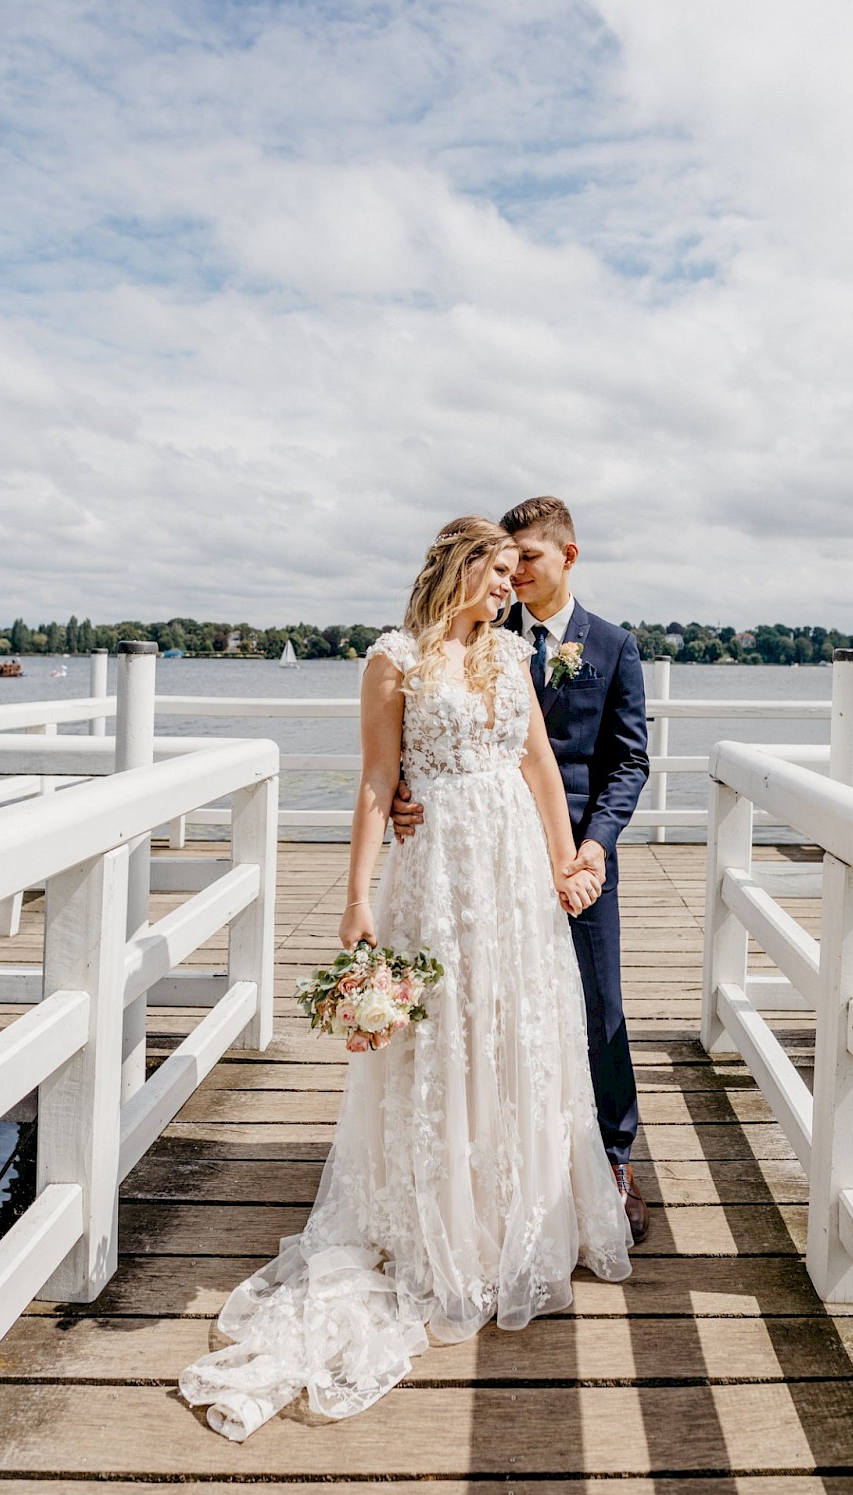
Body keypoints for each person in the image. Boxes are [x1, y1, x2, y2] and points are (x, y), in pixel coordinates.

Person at [179, 516, 632, 1441]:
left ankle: (515, 1214)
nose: (508, 587)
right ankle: (442, 1226)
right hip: (438, 870)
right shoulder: (392, 659)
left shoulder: (510, 657)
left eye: (515, 571)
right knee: (445, 1032)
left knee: (517, 1028)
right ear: (459, 567)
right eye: (496, 571)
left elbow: (543, 768)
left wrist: (564, 867)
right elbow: (377, 781)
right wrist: (356, 900)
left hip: (512, 871)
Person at [393, 497, 650, 1241]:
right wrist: (409, 789)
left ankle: (612, 1160)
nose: (516, 573)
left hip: (576, 855)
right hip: (486, 852)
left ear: (568, 556)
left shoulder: (612, 644)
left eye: (528, 558)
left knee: (597, 1008)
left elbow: (627, 761)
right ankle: (495, 1162)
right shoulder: (485, 628)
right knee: (492, 1004)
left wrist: (591, 847)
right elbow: (428, 719)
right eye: (507, 561)